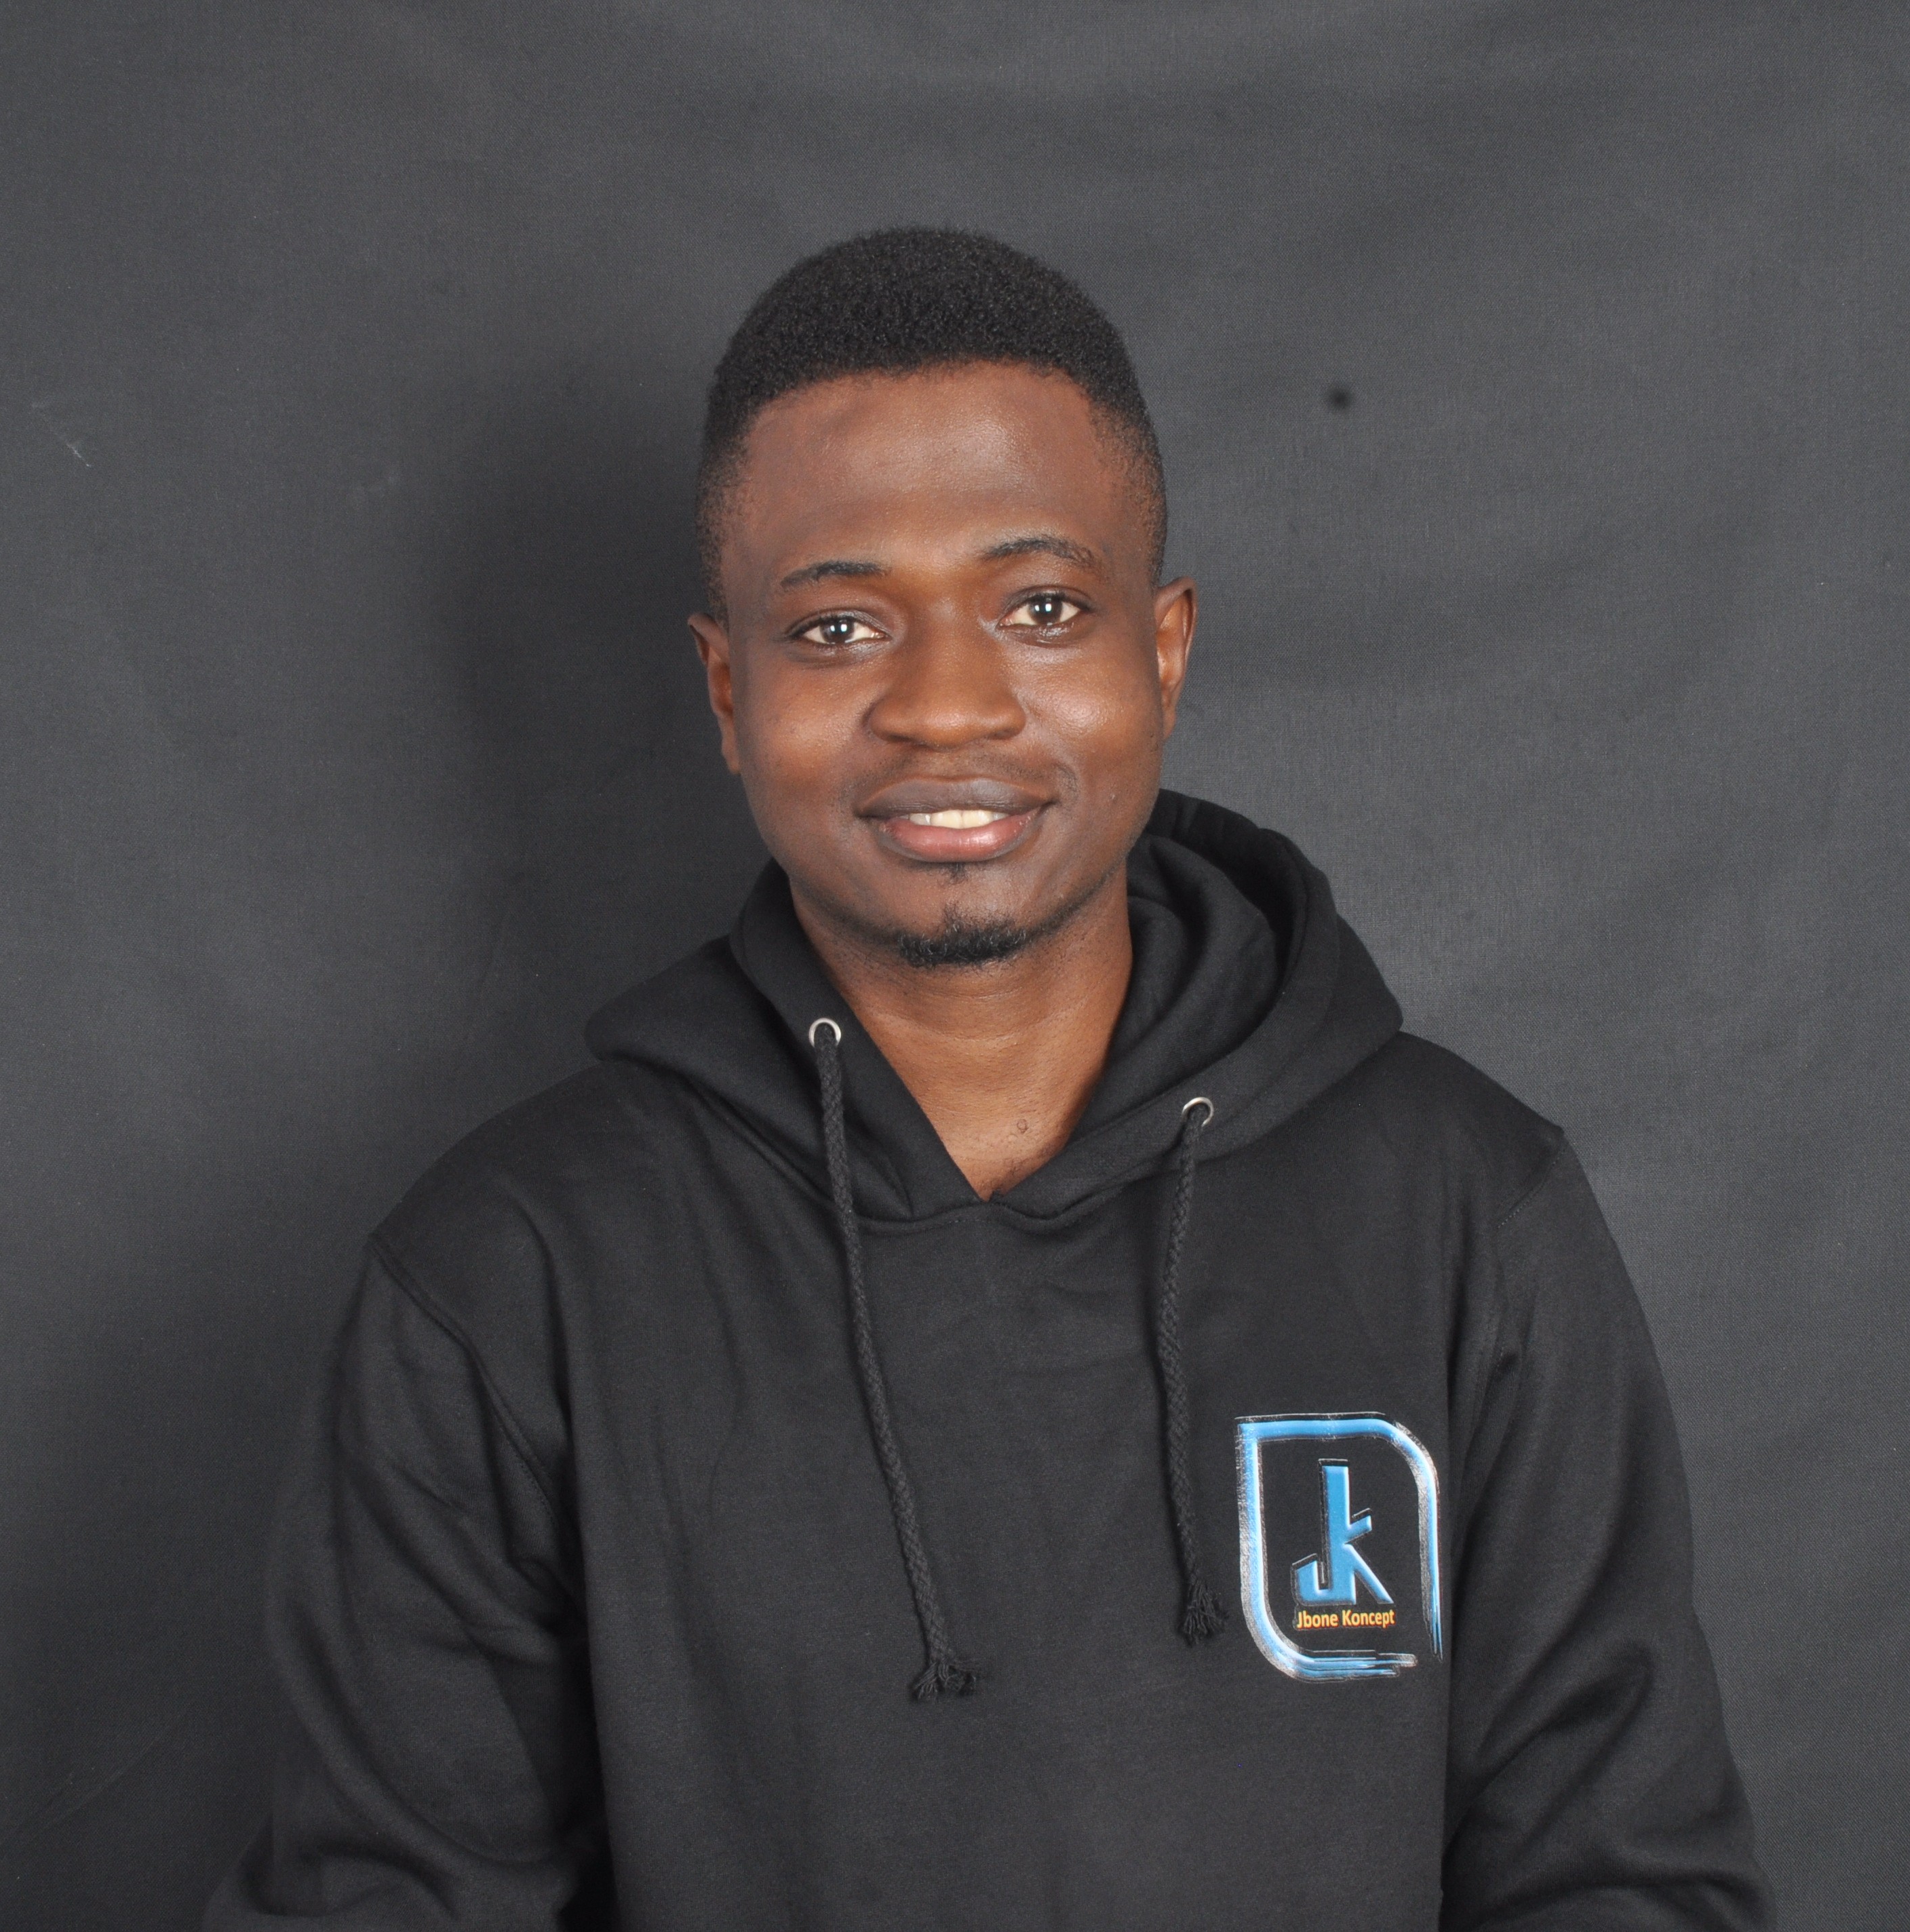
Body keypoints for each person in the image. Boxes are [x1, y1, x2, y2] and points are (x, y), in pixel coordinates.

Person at [210, 228, 1768, 1930]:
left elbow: (1617, 1876)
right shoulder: (507, 1278)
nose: (944, 705)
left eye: (1038, 607)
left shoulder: (1466, 1205)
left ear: (1160, 654)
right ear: (727, 690)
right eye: (838, 624)